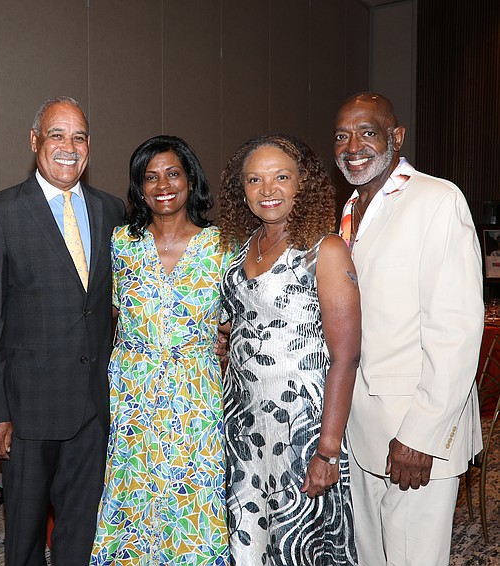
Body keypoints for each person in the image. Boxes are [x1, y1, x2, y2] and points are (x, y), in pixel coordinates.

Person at [0, 96, 125, 565]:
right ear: (35, 140)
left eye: (79, 137)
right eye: (56, 135)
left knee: (80, 537)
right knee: (23, 542)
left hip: (91, 410)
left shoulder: (111, 210)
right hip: (28, 413)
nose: (68, 146)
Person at [334, 92, 484, 565]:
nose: (352, 145)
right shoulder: (349, 210)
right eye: (341, 136)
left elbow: (456, 330)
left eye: (367, 132)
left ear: (396, 137)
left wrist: (420, 434)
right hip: (359, 431)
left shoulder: (437, 200)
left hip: (413, 435)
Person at [216, 133, 361, 564]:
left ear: (303, 183)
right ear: (241, 190)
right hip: (243, 429)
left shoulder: (325, 250)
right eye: (254, 180)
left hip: (303, 434)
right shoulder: (240, 248)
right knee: (249, 547)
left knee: (302, 548)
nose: (268, 190)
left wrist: (328, 450)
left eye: (281, 177)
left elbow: (346, 357)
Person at [90, 135, 232, 564]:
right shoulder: (119, 244)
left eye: (173, 174)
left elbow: (234, 323)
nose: (163, 185)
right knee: (133, 495)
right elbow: (105, 319)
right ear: (139, 187)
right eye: (150, 177)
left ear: (191, 180)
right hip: (134, 393)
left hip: (196, 394)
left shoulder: (222, 246)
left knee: (194, 496)